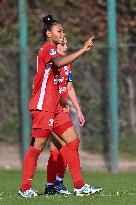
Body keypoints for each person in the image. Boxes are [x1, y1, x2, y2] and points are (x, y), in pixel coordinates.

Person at [18, 14, 95, 198]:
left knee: (73, 141)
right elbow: (59, 63)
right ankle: (25, 188)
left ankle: (79, 186)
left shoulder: (53, 50)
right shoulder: (47, 50)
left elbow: (60, 82)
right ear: (48, 34)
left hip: (55, 107)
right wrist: (83, 50)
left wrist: (64, 102)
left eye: (63, 32)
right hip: (42, 106)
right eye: (59, 31)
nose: (62, 35)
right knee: (37, 147)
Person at [44, 37, 85, 195]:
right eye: (62, 44)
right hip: (50, 110)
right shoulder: (51, 64)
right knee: (68, 144)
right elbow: (45, 89)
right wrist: (62, 102)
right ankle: (61, 183)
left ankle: (50, 185)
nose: (65, 46)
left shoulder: (67, 65)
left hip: (61, 110)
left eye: (67, 44)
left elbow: (70, 88)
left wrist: (78, 110)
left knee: (56, 149)